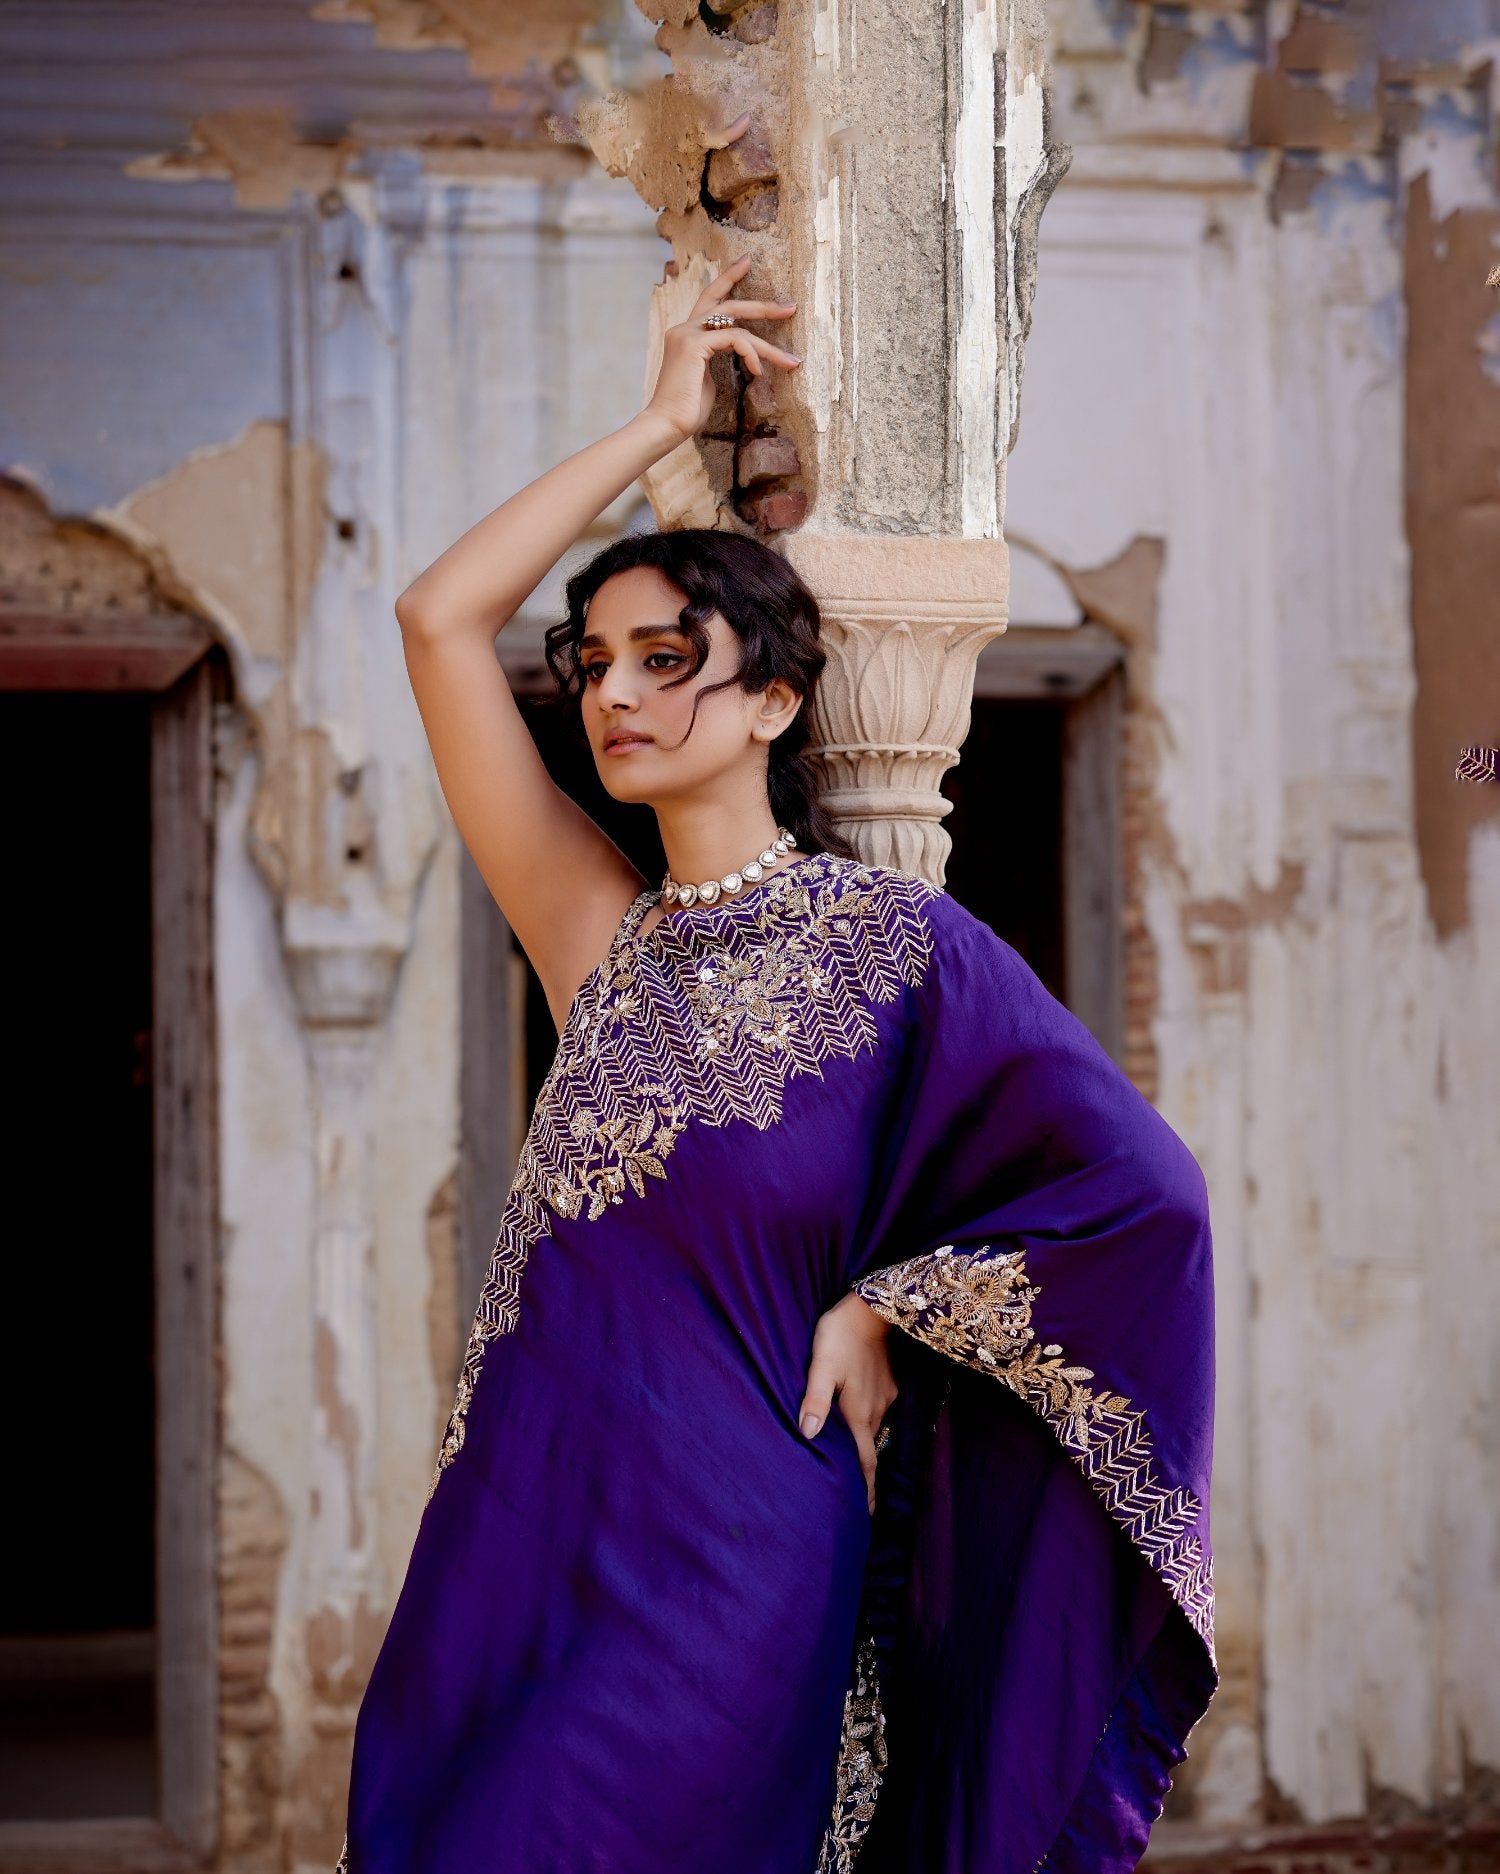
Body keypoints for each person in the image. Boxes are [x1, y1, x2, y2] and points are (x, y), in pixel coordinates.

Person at [337, 257, 1217, 1873]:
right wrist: (653, 421)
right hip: (522, 1545)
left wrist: (891, 1303)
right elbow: (435, 619)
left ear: (776, 698)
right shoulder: (595, 937)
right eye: (596, 660)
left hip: (737, 1567)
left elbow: (1139, 1191)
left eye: (667, 656)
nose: (614, 690)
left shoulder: (897, 954)